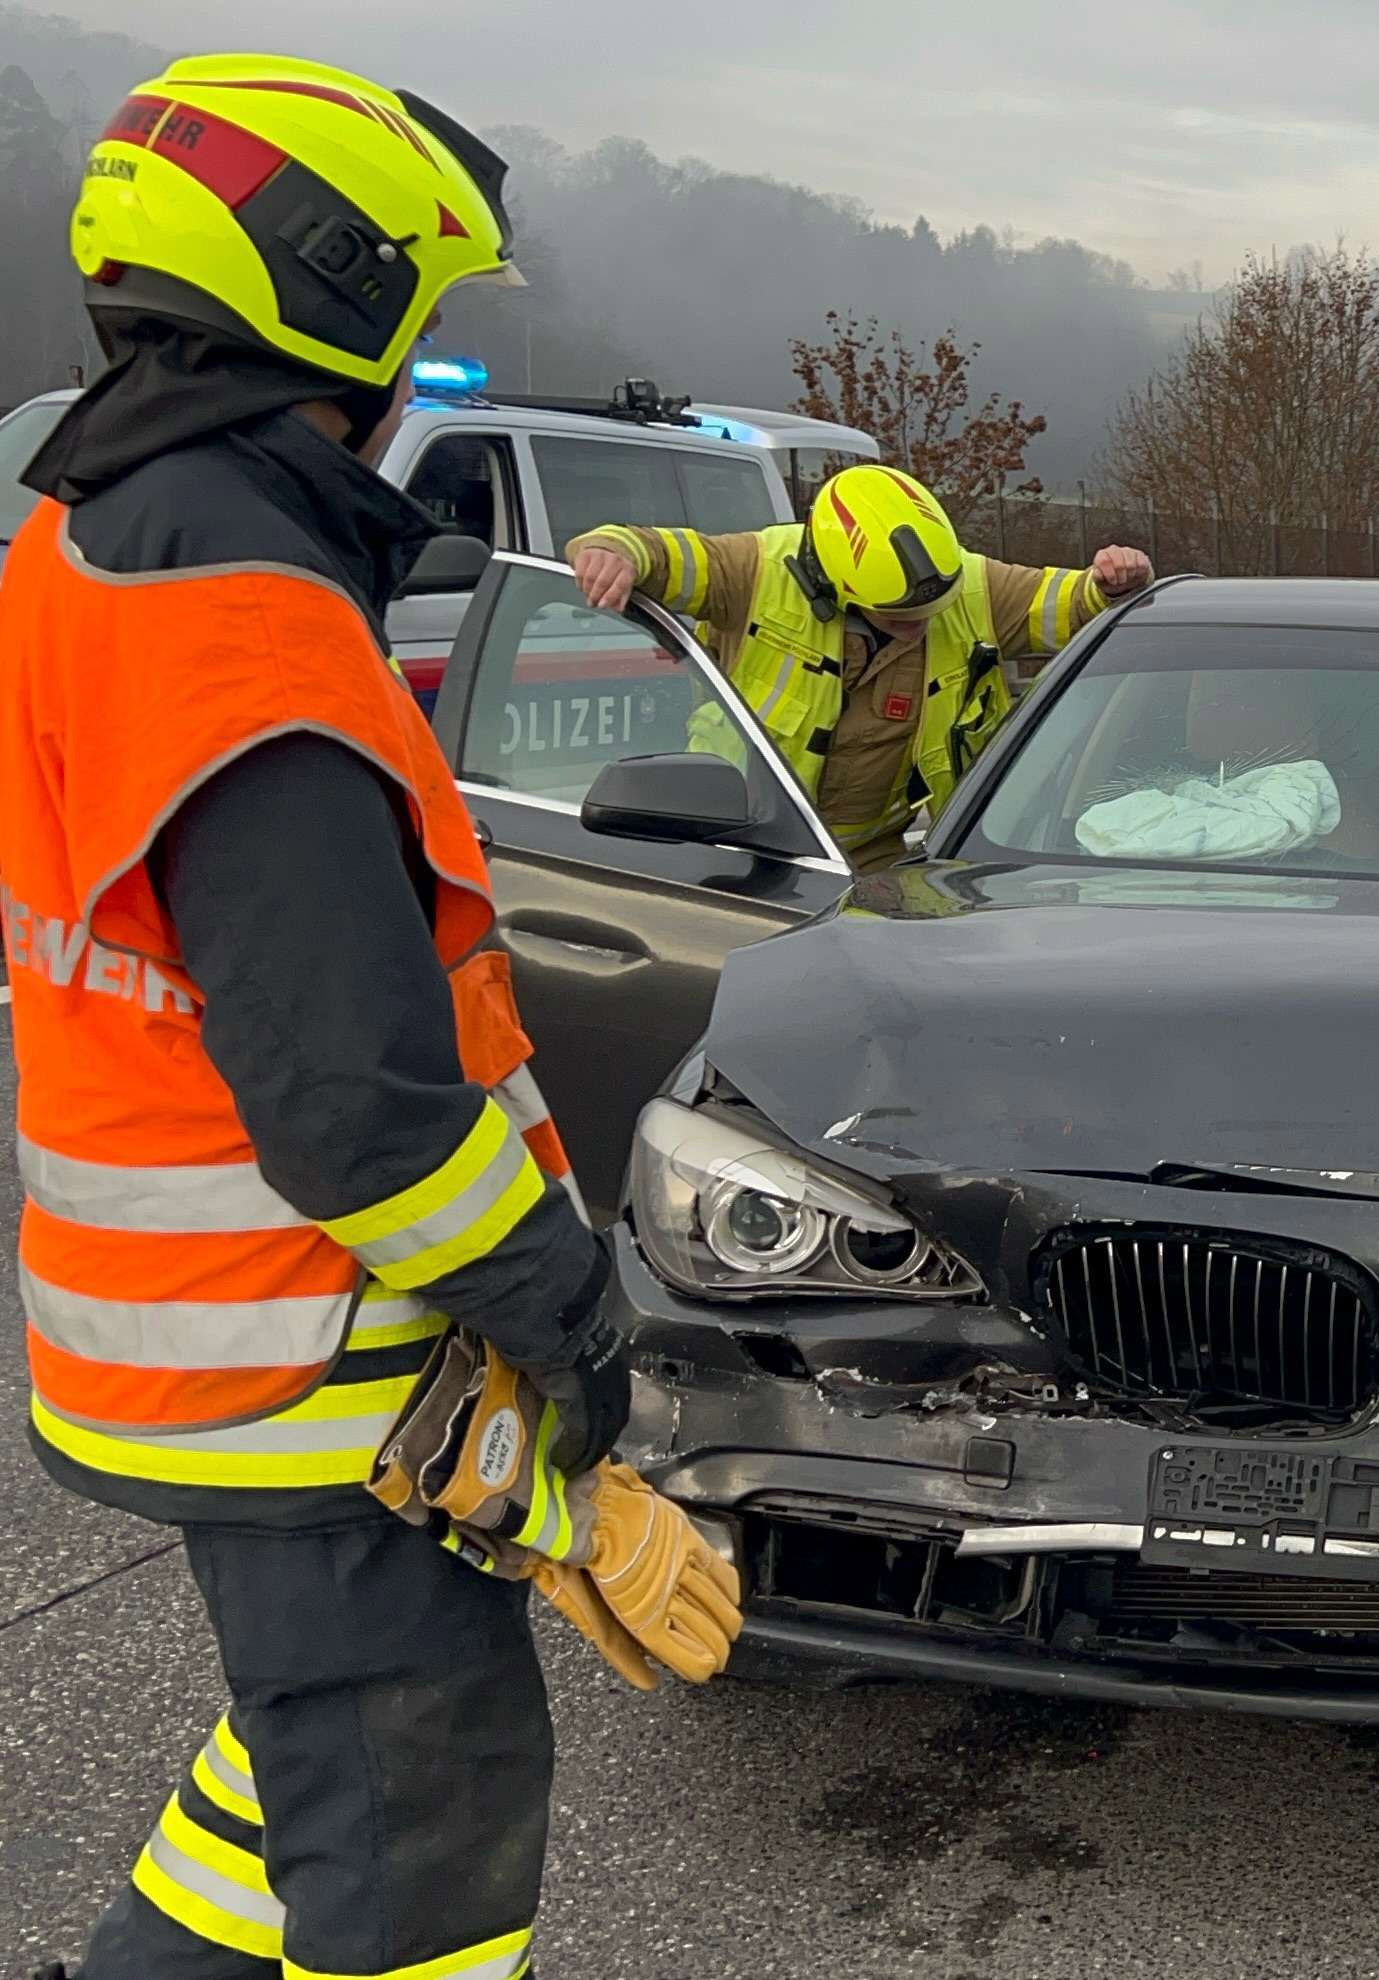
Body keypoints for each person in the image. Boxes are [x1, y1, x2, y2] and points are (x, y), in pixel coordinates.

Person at [5, 56, 728, 1980]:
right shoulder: (238, 608)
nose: (412, 370)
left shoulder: (87, 537)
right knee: (419, 1872)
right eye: (413, 316)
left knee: (296, 1781)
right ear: (333, 293)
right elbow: (361, 1108)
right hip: (305, 1368)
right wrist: (565, 1323)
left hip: (190, 1344)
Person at [568, 466, 1150, 869]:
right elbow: (643, 548)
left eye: (933, 610)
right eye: (899, 616)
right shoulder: (754, 570)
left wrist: (1113, 580)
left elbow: (1076, 606)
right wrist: (608, 554)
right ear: (834, 584)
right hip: (739, 845)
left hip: (874, 864)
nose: (921, 624)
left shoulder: (967, 585)